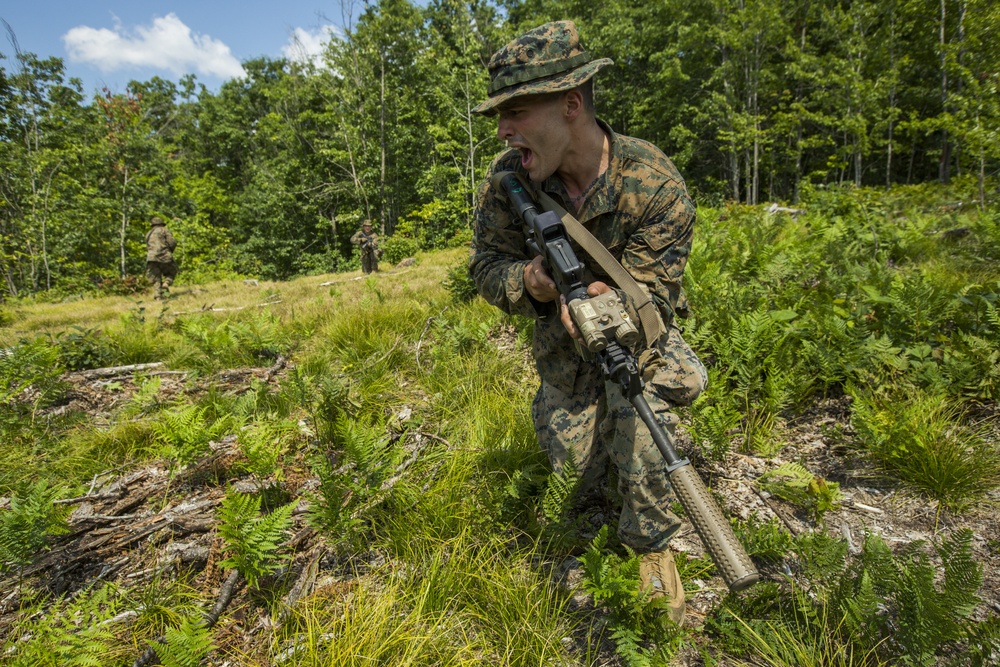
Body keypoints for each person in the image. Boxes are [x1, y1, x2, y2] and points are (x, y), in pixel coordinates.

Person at [469, 21, 707, 625]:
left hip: (634, 343)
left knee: (638, 402)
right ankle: (585, 427)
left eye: (516, 111)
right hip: (563, 361)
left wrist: (612, 304)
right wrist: (528, 282)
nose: (502, 129)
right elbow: (485, 265)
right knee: (576, 485)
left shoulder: (654, 183)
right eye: (500, 115)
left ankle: (651, 545)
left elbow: (656, 295)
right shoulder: (509, 181)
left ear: (571, 104)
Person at [145, 216, 178, 299]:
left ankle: (158, 296)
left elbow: (148, 246)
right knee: (172, 272)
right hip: (165, 256)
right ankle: (166, 283)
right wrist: (170, 250)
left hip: (152, 258)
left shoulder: (148, 233)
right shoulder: (164, 230)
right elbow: (172, 242)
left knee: (155, 277)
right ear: (161, 224)